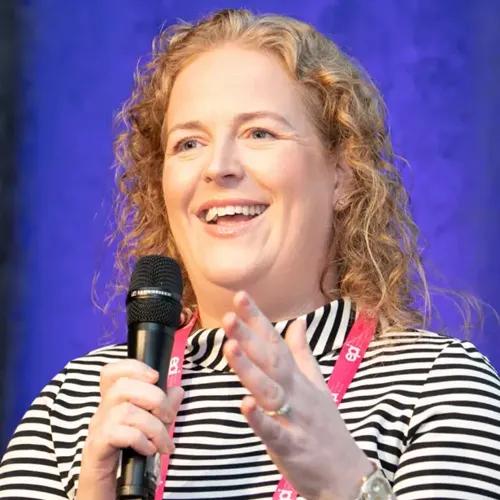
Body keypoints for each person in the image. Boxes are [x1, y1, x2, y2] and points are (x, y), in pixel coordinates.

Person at [1, 8, 499, 500]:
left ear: (343, 174)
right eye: (189, 143)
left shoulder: (439, 386)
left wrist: (347, 486)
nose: (218, 166)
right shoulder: (75, 403)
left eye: (259, 133)